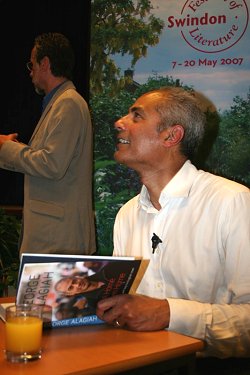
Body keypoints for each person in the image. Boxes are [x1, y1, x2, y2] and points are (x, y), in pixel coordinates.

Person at [96, 87, 250, 364]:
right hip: (133, 363)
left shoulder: (233, 201)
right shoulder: (127, 214)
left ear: (171, 136)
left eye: (136, 115)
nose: (119, 122)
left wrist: (169, 314)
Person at [0, 32, 96, 255]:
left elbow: (52, 164)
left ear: (45, 63)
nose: (30, 70)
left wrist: (6, 147)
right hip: (54, 237)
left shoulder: (69, 103)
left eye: (32, 63)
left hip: (58, 240)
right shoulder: (61, 102)